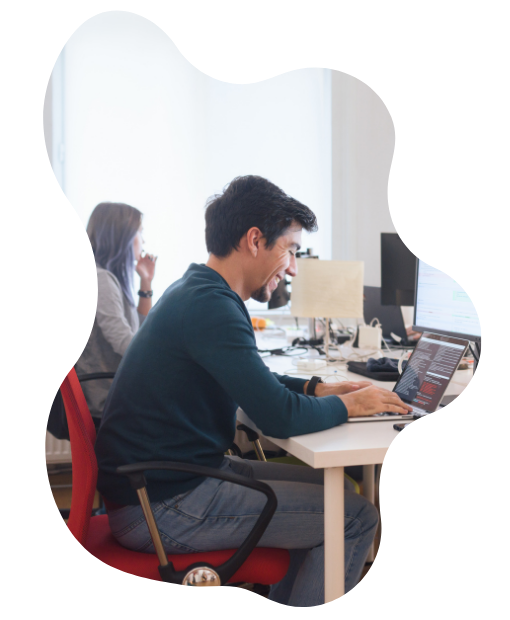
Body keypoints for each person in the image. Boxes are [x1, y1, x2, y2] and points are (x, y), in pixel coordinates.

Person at [95, 176, 412, 605]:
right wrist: (350, 405)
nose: (294, 267)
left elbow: (252, 378)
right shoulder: (212, 307)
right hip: (161, 506)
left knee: (336, 494)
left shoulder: (198, 289)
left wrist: (318, 387)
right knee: (354, 518)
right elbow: (277, 416)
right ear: (255, 240)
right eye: (290, 249)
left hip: (164, 482)